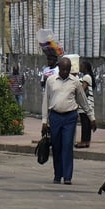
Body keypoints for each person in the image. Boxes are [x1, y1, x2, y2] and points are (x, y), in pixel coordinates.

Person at [43, 56, 87, 185]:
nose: (65, 72)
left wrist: (91, 117)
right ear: (59, 68)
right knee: (56, 147)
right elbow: (46, 100)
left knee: (67, 146)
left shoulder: (75, 82)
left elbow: (82, 100)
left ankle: (67, 176)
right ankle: (58, 174)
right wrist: (44, 121)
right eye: (63, 69)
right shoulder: (51, 80)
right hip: (55, 116)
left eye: (67, 69)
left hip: (70, 117)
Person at [75, 60, 96, 149]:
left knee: (85, 123)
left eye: (81, 66)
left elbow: (82, 90)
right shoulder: (87, 76)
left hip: (85, 103)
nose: (80, 67)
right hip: (88, 102)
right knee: (87, 122)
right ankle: (86, 141)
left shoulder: (86, 77)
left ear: (85, 68)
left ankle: (84, 141)